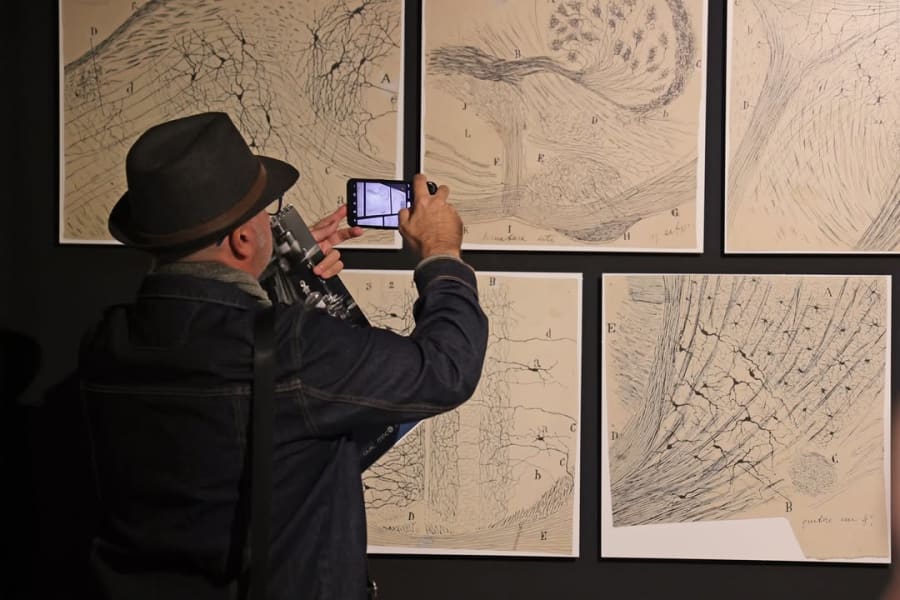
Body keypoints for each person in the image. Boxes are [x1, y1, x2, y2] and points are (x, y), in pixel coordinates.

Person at [79, 112, 489, 599]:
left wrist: (275, 268)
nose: (272, 219)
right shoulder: (292, 347)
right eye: (266, 212)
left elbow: (207, 338)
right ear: (242, 238)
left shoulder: (106, 342)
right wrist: (440, 251)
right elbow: (445, 367)